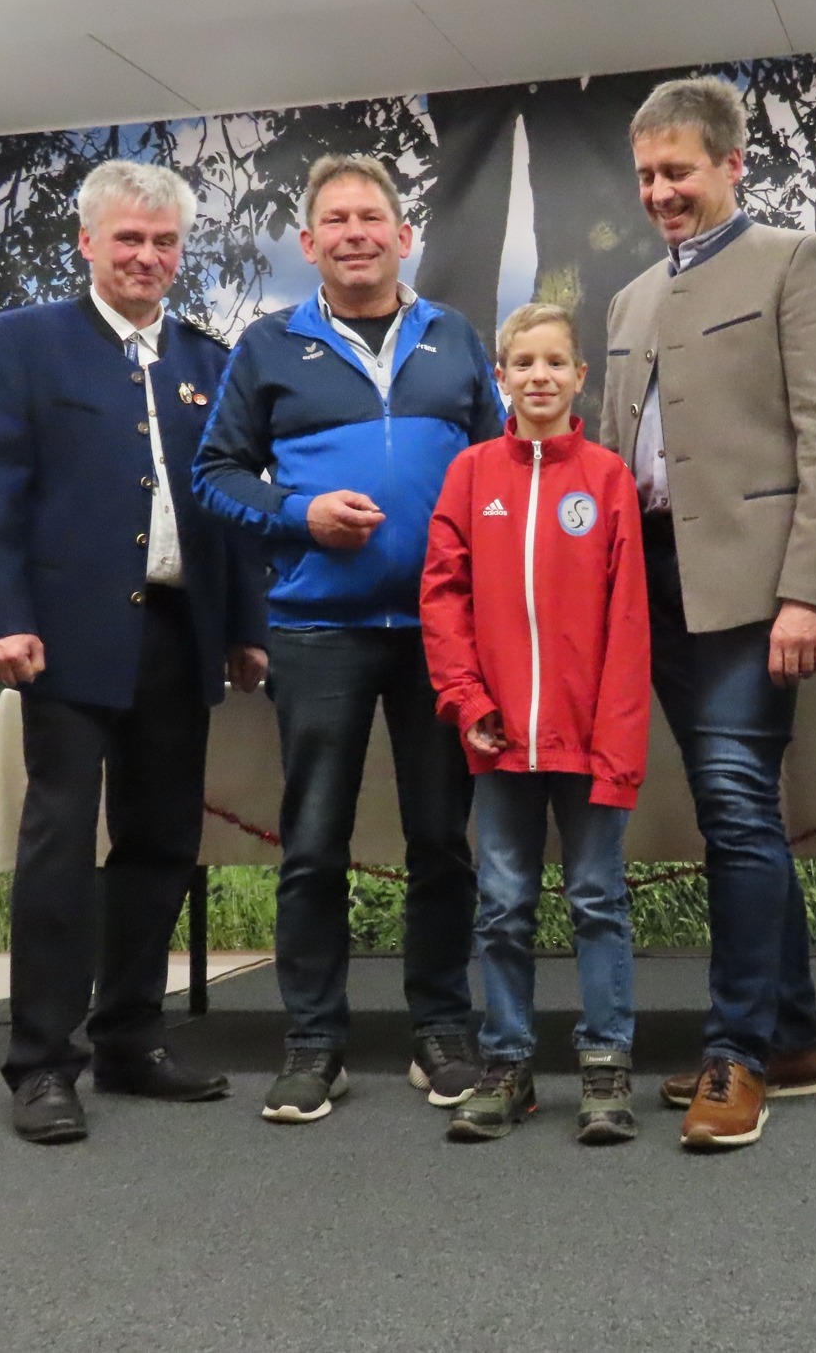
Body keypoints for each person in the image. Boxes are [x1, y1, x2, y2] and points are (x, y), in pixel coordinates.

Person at [0, 159, 269, 1145]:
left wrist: (246, 627)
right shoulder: (20, 343)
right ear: (87, 242)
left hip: (179, 632)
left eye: (164, 241)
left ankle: (131, 1038)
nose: (146, 256)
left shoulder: (210, 360)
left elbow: (229, 501)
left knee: (163, 840)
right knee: (59, 842)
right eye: (128, 238)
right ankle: (43, 1064)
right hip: (61, 636)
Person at [194, 154, 504, 1124]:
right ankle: (314, 1042)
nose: (356, 233)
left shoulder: (454, 336)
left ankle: (440, 1029)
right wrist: (300, 514)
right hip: (316, 630)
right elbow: (216, 475)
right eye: (336, 220)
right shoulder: (269, 345)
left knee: (440, 842)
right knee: (314, 844)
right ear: (309, 242)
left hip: (442, 635)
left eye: (372, 217)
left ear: (403, 236)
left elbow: (499, 469)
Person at [602, 77, 816, 1151]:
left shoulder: (798, 263)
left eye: (679, 171)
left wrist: (808, 592)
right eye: (647, 176)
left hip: (754, 592)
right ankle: (791, 1038)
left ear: (730, 165)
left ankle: (737, 1054)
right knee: (735, 810)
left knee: (735, 806)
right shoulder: (627, 301)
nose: (661, 192)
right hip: (651, 587)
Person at [420, 303, 650, 1145]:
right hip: (499, 738)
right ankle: (507, 1063)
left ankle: (605, 1064)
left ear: (581, 377)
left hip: (590, 744)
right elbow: (442, 597)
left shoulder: (608, 479)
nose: (540, 376)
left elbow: (629, 623)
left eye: (556, 362)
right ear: (501, 378)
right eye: (524, 363)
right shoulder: (471, 475)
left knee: (597, 900)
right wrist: (468, 702)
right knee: (503, 904)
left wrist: (617, 747)